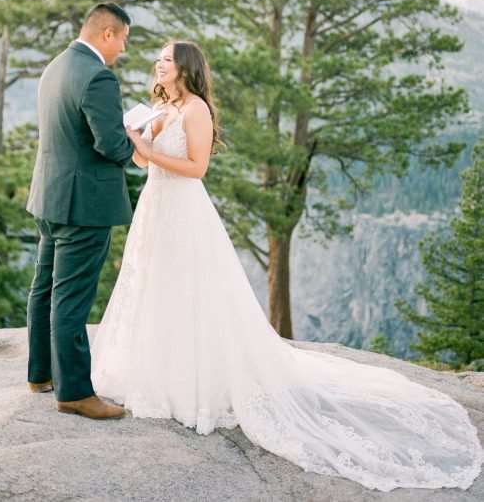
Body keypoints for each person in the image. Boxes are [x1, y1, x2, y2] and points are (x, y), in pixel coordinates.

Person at [91, 39, 483, 491]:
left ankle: (195, 381)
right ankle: (157, 369)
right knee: (156, 289)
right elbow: (143, 162)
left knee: (190, 290)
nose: (157, 64)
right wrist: (137, 138)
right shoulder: (162, 106)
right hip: (155, 207)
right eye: (157, 58)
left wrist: (147, 144)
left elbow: (196, 169)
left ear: (184, 68)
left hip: (183, 208)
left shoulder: (195, 108)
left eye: (165, 59)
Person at [25, 2, 134, 420]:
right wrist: (135, 140)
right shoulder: (98, 77)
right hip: (83, 204)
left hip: (49, 196)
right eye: (122, 39)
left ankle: (40, 373)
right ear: (107, 34)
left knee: (45, 286)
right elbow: (109, 145)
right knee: (71, 297)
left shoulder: (57, 66)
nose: (122, 49)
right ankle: (74, 392)